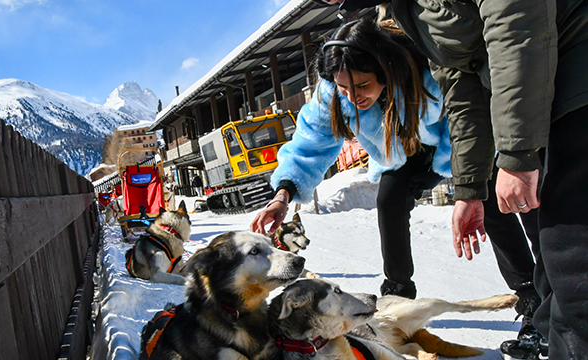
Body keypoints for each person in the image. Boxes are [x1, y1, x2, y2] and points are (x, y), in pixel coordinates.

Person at [362, 0, 588, 358]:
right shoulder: (405, 12)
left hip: (560, 79)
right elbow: (461, 87)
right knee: (542, 233)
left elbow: (516, 21)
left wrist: (515, 157)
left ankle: (543, 311)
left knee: (569, 252)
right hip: (528, 107)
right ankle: (545, 321)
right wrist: (469, 188)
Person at [251, 15, 452, 300]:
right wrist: (283, 195)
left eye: (362, 85)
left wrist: (453, 172)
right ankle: (398, 292)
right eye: (344, 87)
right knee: (389, 199)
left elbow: (463, 119)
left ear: (384, 71)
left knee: (493, 206)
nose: (352, 96)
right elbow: (311, 144)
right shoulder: (335, 93)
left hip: (449, 144)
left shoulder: (424, 73)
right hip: (402, 153)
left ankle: (530, 293)